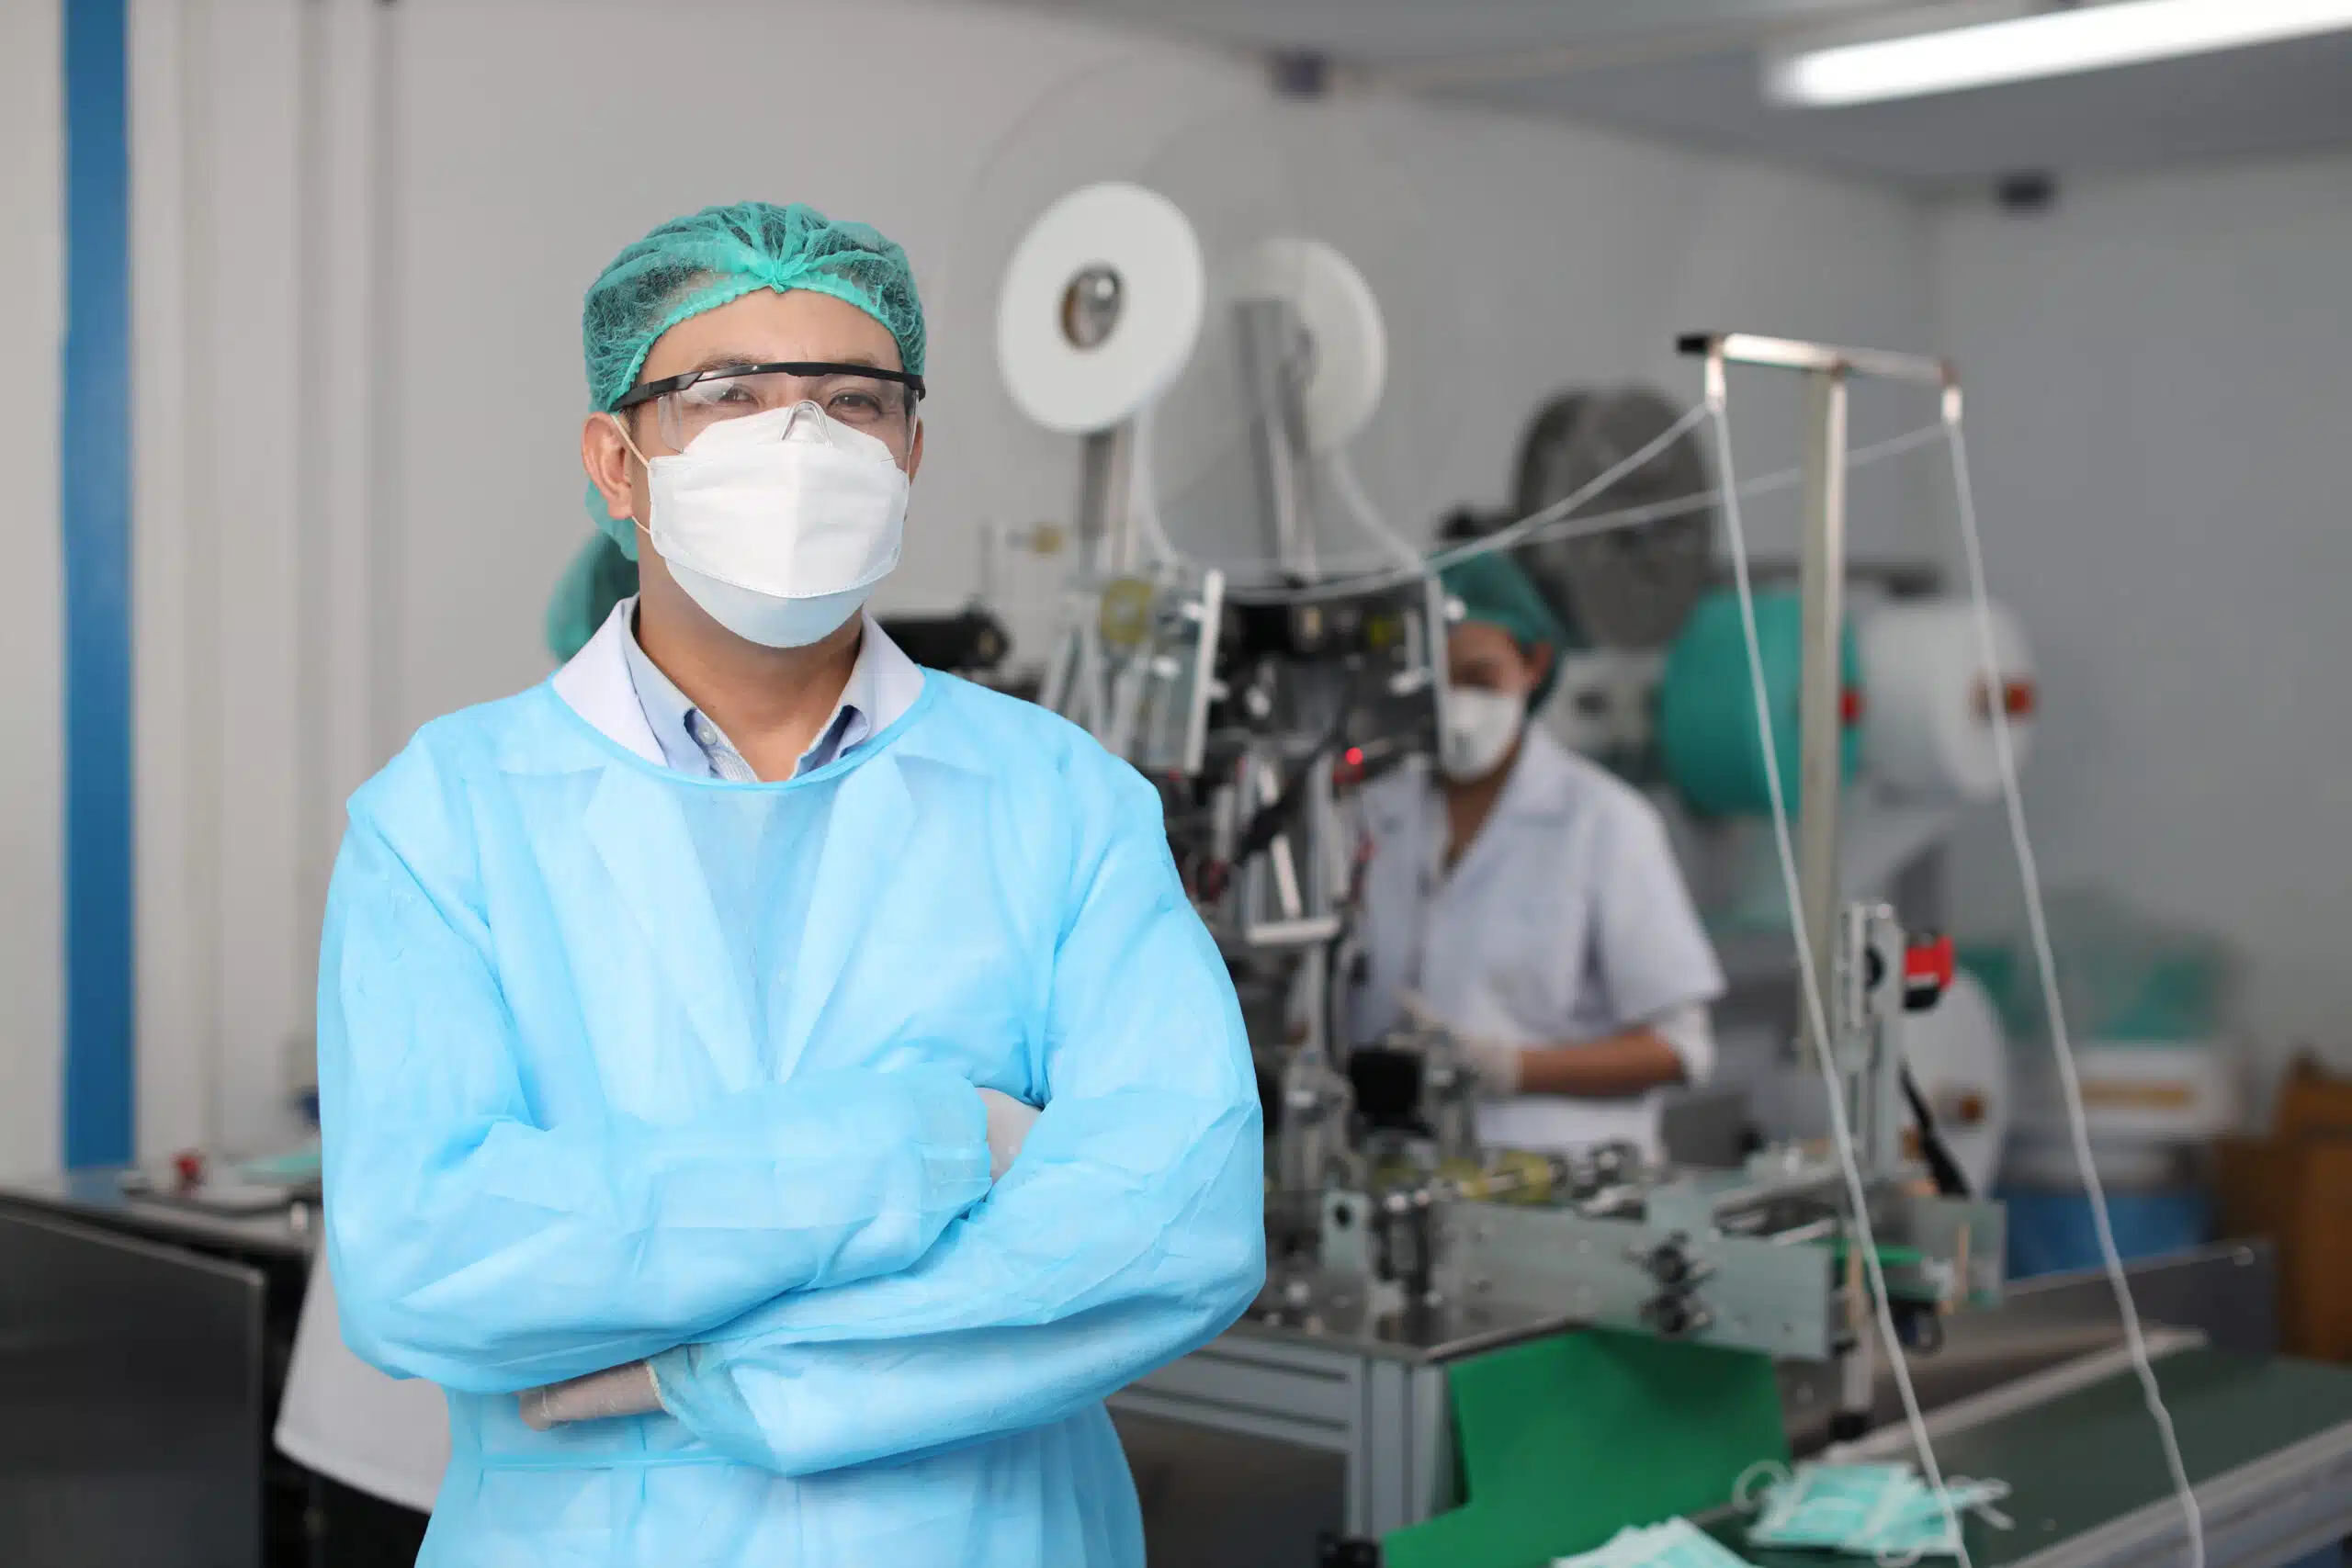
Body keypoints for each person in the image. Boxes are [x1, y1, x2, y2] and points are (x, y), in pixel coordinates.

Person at [315, 201, 1264, 1568]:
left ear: (912, 448)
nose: (800, 442)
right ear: (617, 461)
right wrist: (928, 1142)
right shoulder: (447, 817)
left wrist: (697, 1368)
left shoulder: (1059, 798)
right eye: (729, 394)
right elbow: (429, 1262)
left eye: (852, 399)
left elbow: (1182, 1221)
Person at [1347, 549, 1724, 1160]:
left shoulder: (1604, 823)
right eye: (1438, 682)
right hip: (1400, 1170)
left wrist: (1511, 1069)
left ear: (1534, 662)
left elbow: (1681, 1051)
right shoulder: (1371, 810)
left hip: (1563, 1183)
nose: (1457, 707)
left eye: (1479, 677)